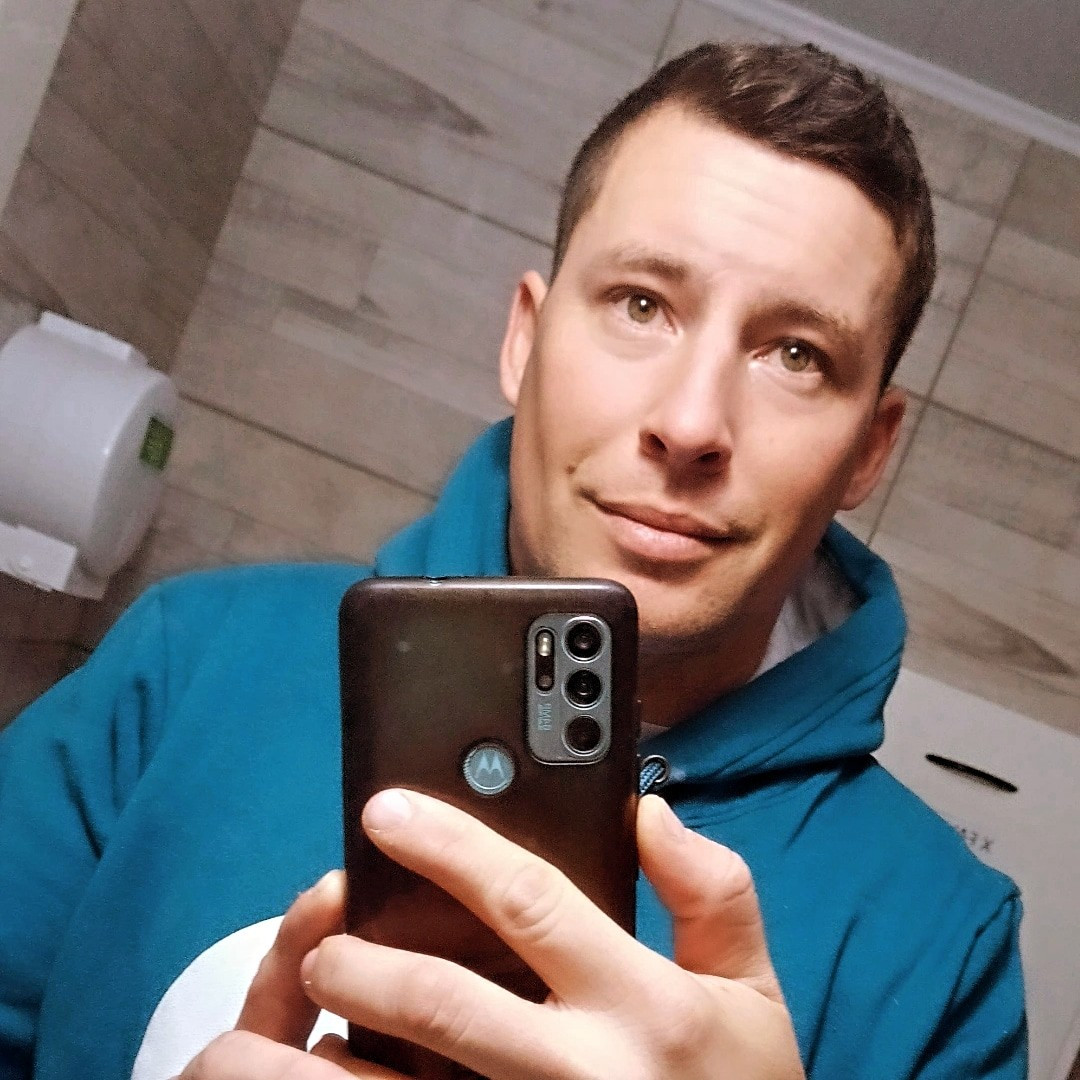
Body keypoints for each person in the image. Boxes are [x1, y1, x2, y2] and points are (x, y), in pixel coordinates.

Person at [0, 41, 1026, 1080]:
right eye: (641, 304)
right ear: (524, 340)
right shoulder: (190, 661)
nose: (690, 423)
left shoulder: (948, 948)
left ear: (869, 450)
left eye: (797, 355)